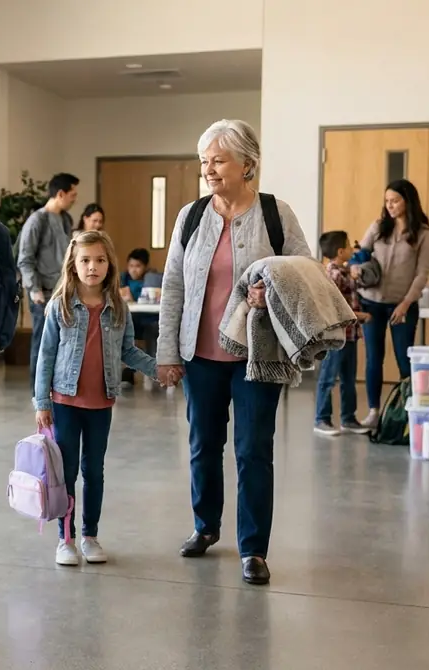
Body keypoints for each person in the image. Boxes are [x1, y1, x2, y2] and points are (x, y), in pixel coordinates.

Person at [155, 119, 311, 586]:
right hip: (200, 355)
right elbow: (174, 286)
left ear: (248, 164)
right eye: (204, 161)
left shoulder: (274, 213)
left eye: (218, 160)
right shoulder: (191, 215)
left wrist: (275, 289)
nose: (209, 169)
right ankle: (205, 527)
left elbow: (305, 271)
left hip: (257, 357)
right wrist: (167, 353)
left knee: (252, 451)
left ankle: (254, 550)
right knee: (203, 446)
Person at [34, 230, 157, 566]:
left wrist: (159, 369)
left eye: (100, 260)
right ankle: (66, 538)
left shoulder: (118, 306)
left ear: (109, 265)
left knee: (95, 471)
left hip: (101, 403)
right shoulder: (60, 306)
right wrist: (42, 402)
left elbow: (129, 351)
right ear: (74, 265)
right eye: (85, 260)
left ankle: (90, 535)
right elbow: (46, 356)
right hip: (65, 402)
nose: (93, 267)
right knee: (67, 470)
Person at [354, 179, 429, 427]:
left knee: (404, 360)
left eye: (395, 200)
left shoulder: (424, 233)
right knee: (373, 358)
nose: (389, 205)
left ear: (408, 201)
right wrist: (355, 267)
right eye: (387, 201)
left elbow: (422, 273)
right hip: (371, 303)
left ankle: (404, 413)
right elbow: (360, 252)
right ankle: (374, 412)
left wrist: (406, 303)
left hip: (403, 305)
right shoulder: (379, 227)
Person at [18, 173, 80, 394]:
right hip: (42, 293)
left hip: (62, 291)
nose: (74, 199)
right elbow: (25, 259)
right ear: (60, 194)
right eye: (72, 195)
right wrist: (34, 290)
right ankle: (39, 390)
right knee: (43, 341)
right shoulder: (37, 221)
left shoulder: (65, 220)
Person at [315, 231, 371, 435]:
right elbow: (333, 307)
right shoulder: (333, 274)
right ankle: (321, 419)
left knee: (348, 378)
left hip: (350, 335)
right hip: (335, 336)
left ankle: (348, 418)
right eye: (348, 246)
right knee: (328, 378)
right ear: (340, 251)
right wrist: (360, 316)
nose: (351, 249)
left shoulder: (344, 271)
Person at [119, 248, 160, 384]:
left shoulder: (151, 279)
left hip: (148, 318)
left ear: (145, 267)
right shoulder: (123, 278)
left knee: (152, 329)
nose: (134, 270)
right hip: (131, 318)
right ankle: (127, 372)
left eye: (138, 266)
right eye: (131, 266)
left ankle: (154, 369)